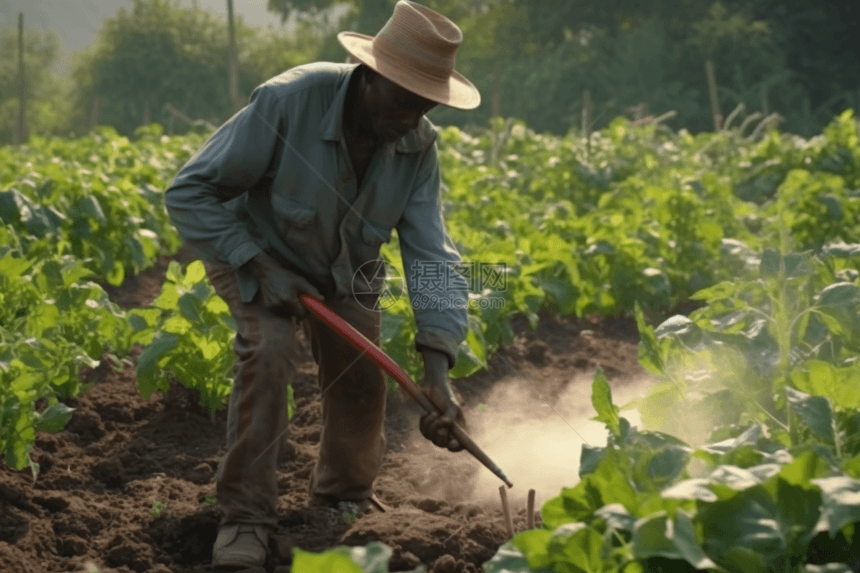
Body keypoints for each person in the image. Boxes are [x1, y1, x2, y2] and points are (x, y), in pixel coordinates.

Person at [162, 1, 481, 569]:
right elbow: (189, 192)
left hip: (344, 271)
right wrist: (260, 265)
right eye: (406, 100)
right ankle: (245, 518)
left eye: (426, 105)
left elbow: (432, 254)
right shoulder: (288, 102)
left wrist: (438, 372)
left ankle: (343, 500)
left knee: (362, 371)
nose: (413, 118)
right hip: (252, 250)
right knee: (271, 349)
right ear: (370, 77)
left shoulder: (417, 146)